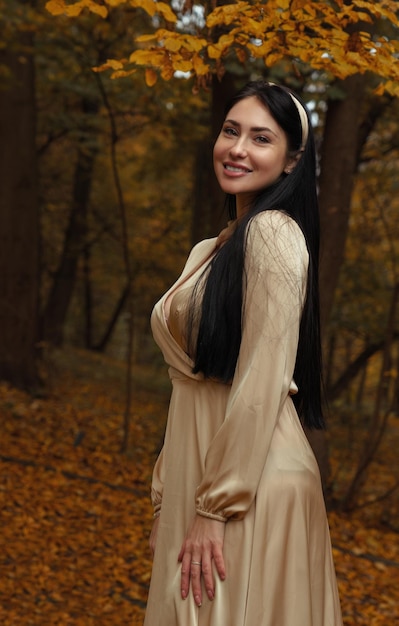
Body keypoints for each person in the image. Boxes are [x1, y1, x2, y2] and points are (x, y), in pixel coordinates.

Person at [143, 80, 343, 626]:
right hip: (204, 475)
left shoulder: (276, 235)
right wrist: (168, 495)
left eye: (261, 138)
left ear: (290, 161)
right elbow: (191, 385)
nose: (237, 148)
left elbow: (264, 378)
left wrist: (215, 509)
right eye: (231, 131)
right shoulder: (213, 248)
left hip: (248, 488)